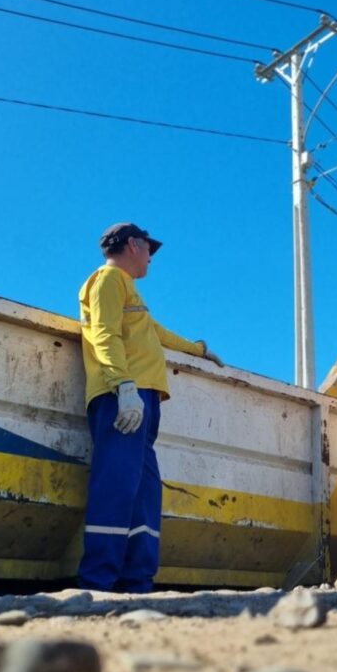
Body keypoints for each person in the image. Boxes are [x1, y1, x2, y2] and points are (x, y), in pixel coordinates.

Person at [77, 222, 224, 593]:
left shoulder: (128, 290)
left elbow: (156, 333)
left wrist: (199, 349)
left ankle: (137, 581)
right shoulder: (108, 279)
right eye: (148, 249)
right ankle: (98, 581)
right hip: (122, 395)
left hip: (142, 398)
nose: (150, 258)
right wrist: (123, 385)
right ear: (132, 245)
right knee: (116, 485)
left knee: (143, 492)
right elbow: (104, 334)